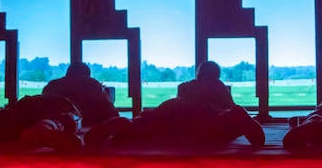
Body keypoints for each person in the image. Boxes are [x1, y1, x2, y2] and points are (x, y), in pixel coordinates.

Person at [86, 61, 265, 147]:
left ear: (198, 73)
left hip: (171, 112)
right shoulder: (218, 86)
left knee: (139, 125)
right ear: (216, 75)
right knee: (235, 114)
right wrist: (239, 116)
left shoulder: (185, 86)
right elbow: (229, 107)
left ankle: (118, 125)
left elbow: (178, 104)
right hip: (207, 118)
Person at [0, 93, 83, 151]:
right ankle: (45, 128)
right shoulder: (93, 86)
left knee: (7, 121)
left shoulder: (53, 84)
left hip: (33, 101)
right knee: (61, 118)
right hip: (66, 105)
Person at [41, 62, 119, 126]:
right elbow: (113, 114)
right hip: (91, 129)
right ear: (87, 75)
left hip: (57, 128)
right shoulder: (93, 85)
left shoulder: (52, 85)